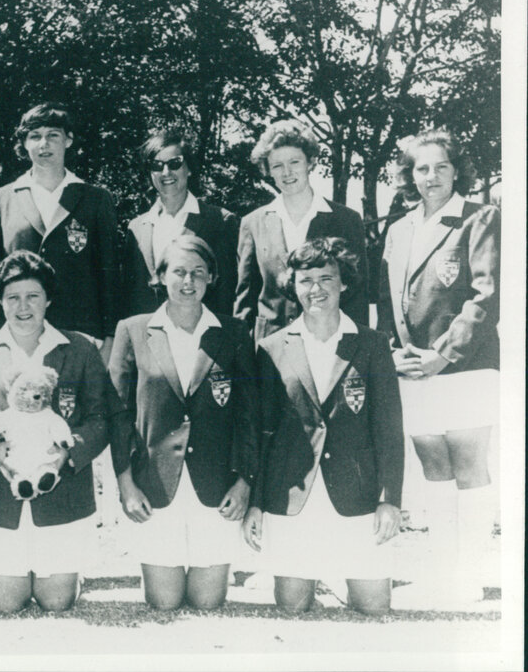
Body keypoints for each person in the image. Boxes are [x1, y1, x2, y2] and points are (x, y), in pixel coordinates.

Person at [242, 238, 404, 615]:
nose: (316, 289)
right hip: (293, 494)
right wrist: (257, 504)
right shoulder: (271, 347)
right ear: (293, 287)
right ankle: (307, 574)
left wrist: (390, 500)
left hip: (356, 495)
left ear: (343, 283)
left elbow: (389, 431)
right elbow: (263, 433)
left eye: (326, 278)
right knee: (293, 607)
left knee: (374, 608)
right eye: (306, 280)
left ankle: (342, 575)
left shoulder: (372, 344)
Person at [377, 130, 500, 604]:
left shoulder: (480, 218)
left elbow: (484, 297)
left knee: (468, 465)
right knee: (433, 468)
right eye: (421, 168)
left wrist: (444, 354)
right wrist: (396, 351)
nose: (431, 177)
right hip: (413, 367)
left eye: (441, 167)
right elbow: (388, 301)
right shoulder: (399, 228)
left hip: (464, 367)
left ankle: (468, 576)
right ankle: (439, 574)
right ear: (410, 175)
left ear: (456, 170)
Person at [0, 250, 110, 613]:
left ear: (48, 300)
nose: (23, 307)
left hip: (62, 493)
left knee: (57, 602)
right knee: (6, 603)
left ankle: (68, 577)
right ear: (0, 301)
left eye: (33, 297)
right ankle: (0, 577)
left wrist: (69, 453)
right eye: (13, 298)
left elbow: (101, 418)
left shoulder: (80, 348)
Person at [109, 236, 258, 610]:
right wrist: (126, 483)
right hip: (154, 485)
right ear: (159, 276)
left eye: (197, 273)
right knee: (164, 602)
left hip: (216, 485)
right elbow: (117, 416)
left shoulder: (235, 332)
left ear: (212, 278)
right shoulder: (132, 330)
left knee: (208, 602)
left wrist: (244, 482)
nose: (188, 281)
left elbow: (249, 416)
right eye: (178, 272)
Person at [0, 103, 118, 360]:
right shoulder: (0, 200)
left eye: (53, 135)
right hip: (17, 337)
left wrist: (109, 338)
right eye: (35, 136)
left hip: (81, 336)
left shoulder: (96, 198)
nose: (44, 144)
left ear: (68, 140)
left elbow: (109, 275)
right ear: (24, 143)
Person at [234, 120, 369, 343]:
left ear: (310, 162)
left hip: (329, 342)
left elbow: (357, 294)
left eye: (294, 162)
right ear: (268, 170)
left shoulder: (346, 220)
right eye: (277, 165)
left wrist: (356, 351)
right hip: (270, 349)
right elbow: (245, 299)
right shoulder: (253, 222)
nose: (287, 172)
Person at [122, 129, 239, 319]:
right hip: (149, 337)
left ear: (189, 168)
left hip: (201, 335)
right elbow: (130, 295)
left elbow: (227, 291)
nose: (166, 172)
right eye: (157, 165)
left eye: (174, 163)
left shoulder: (219, 220)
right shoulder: (136, 228)